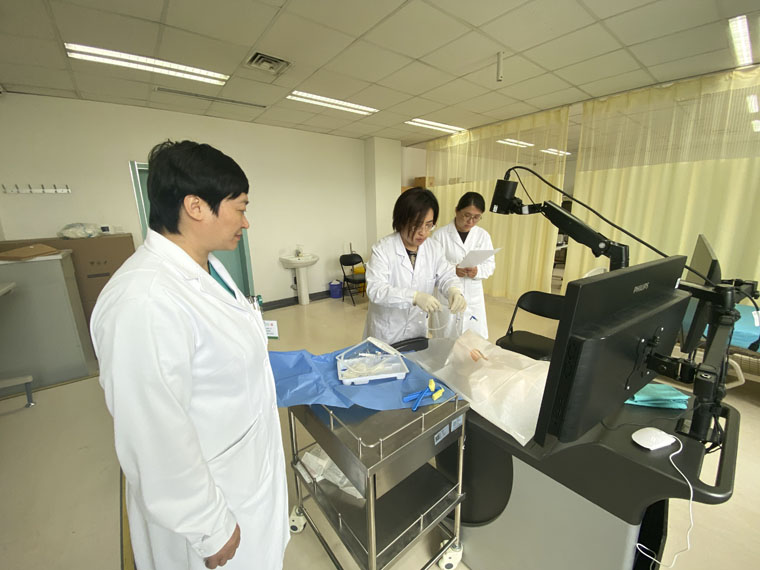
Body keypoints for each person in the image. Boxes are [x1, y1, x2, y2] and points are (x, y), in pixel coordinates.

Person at [90, 140, 289, 570]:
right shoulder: (144, 301)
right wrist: (208, 525)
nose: (246, 221)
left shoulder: (206, 267)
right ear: (196, 206)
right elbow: (152, 432)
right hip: (207, 511)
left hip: (245, 473)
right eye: (240, 208)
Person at [364, 187, 466, 345]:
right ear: (401, 220)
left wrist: (454, 290)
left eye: (429, 225)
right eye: (416, 225)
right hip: (387, 332)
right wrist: (414, 297)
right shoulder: (383, 249)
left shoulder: (434, 248)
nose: (423, 232)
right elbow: (376, 290)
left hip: (417, 330)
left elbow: (446, 275)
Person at [430, 192, 495, 339]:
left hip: (473, 296)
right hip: (447, 295)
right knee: (446, 340)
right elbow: (432, 268)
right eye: (467, 215)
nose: (471, 221)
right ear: (456, 210)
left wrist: (477, 271)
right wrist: (453, 270)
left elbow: (490, 265)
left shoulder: (483, 236)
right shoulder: (440, 236)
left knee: (473, 341)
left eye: (476, 217)